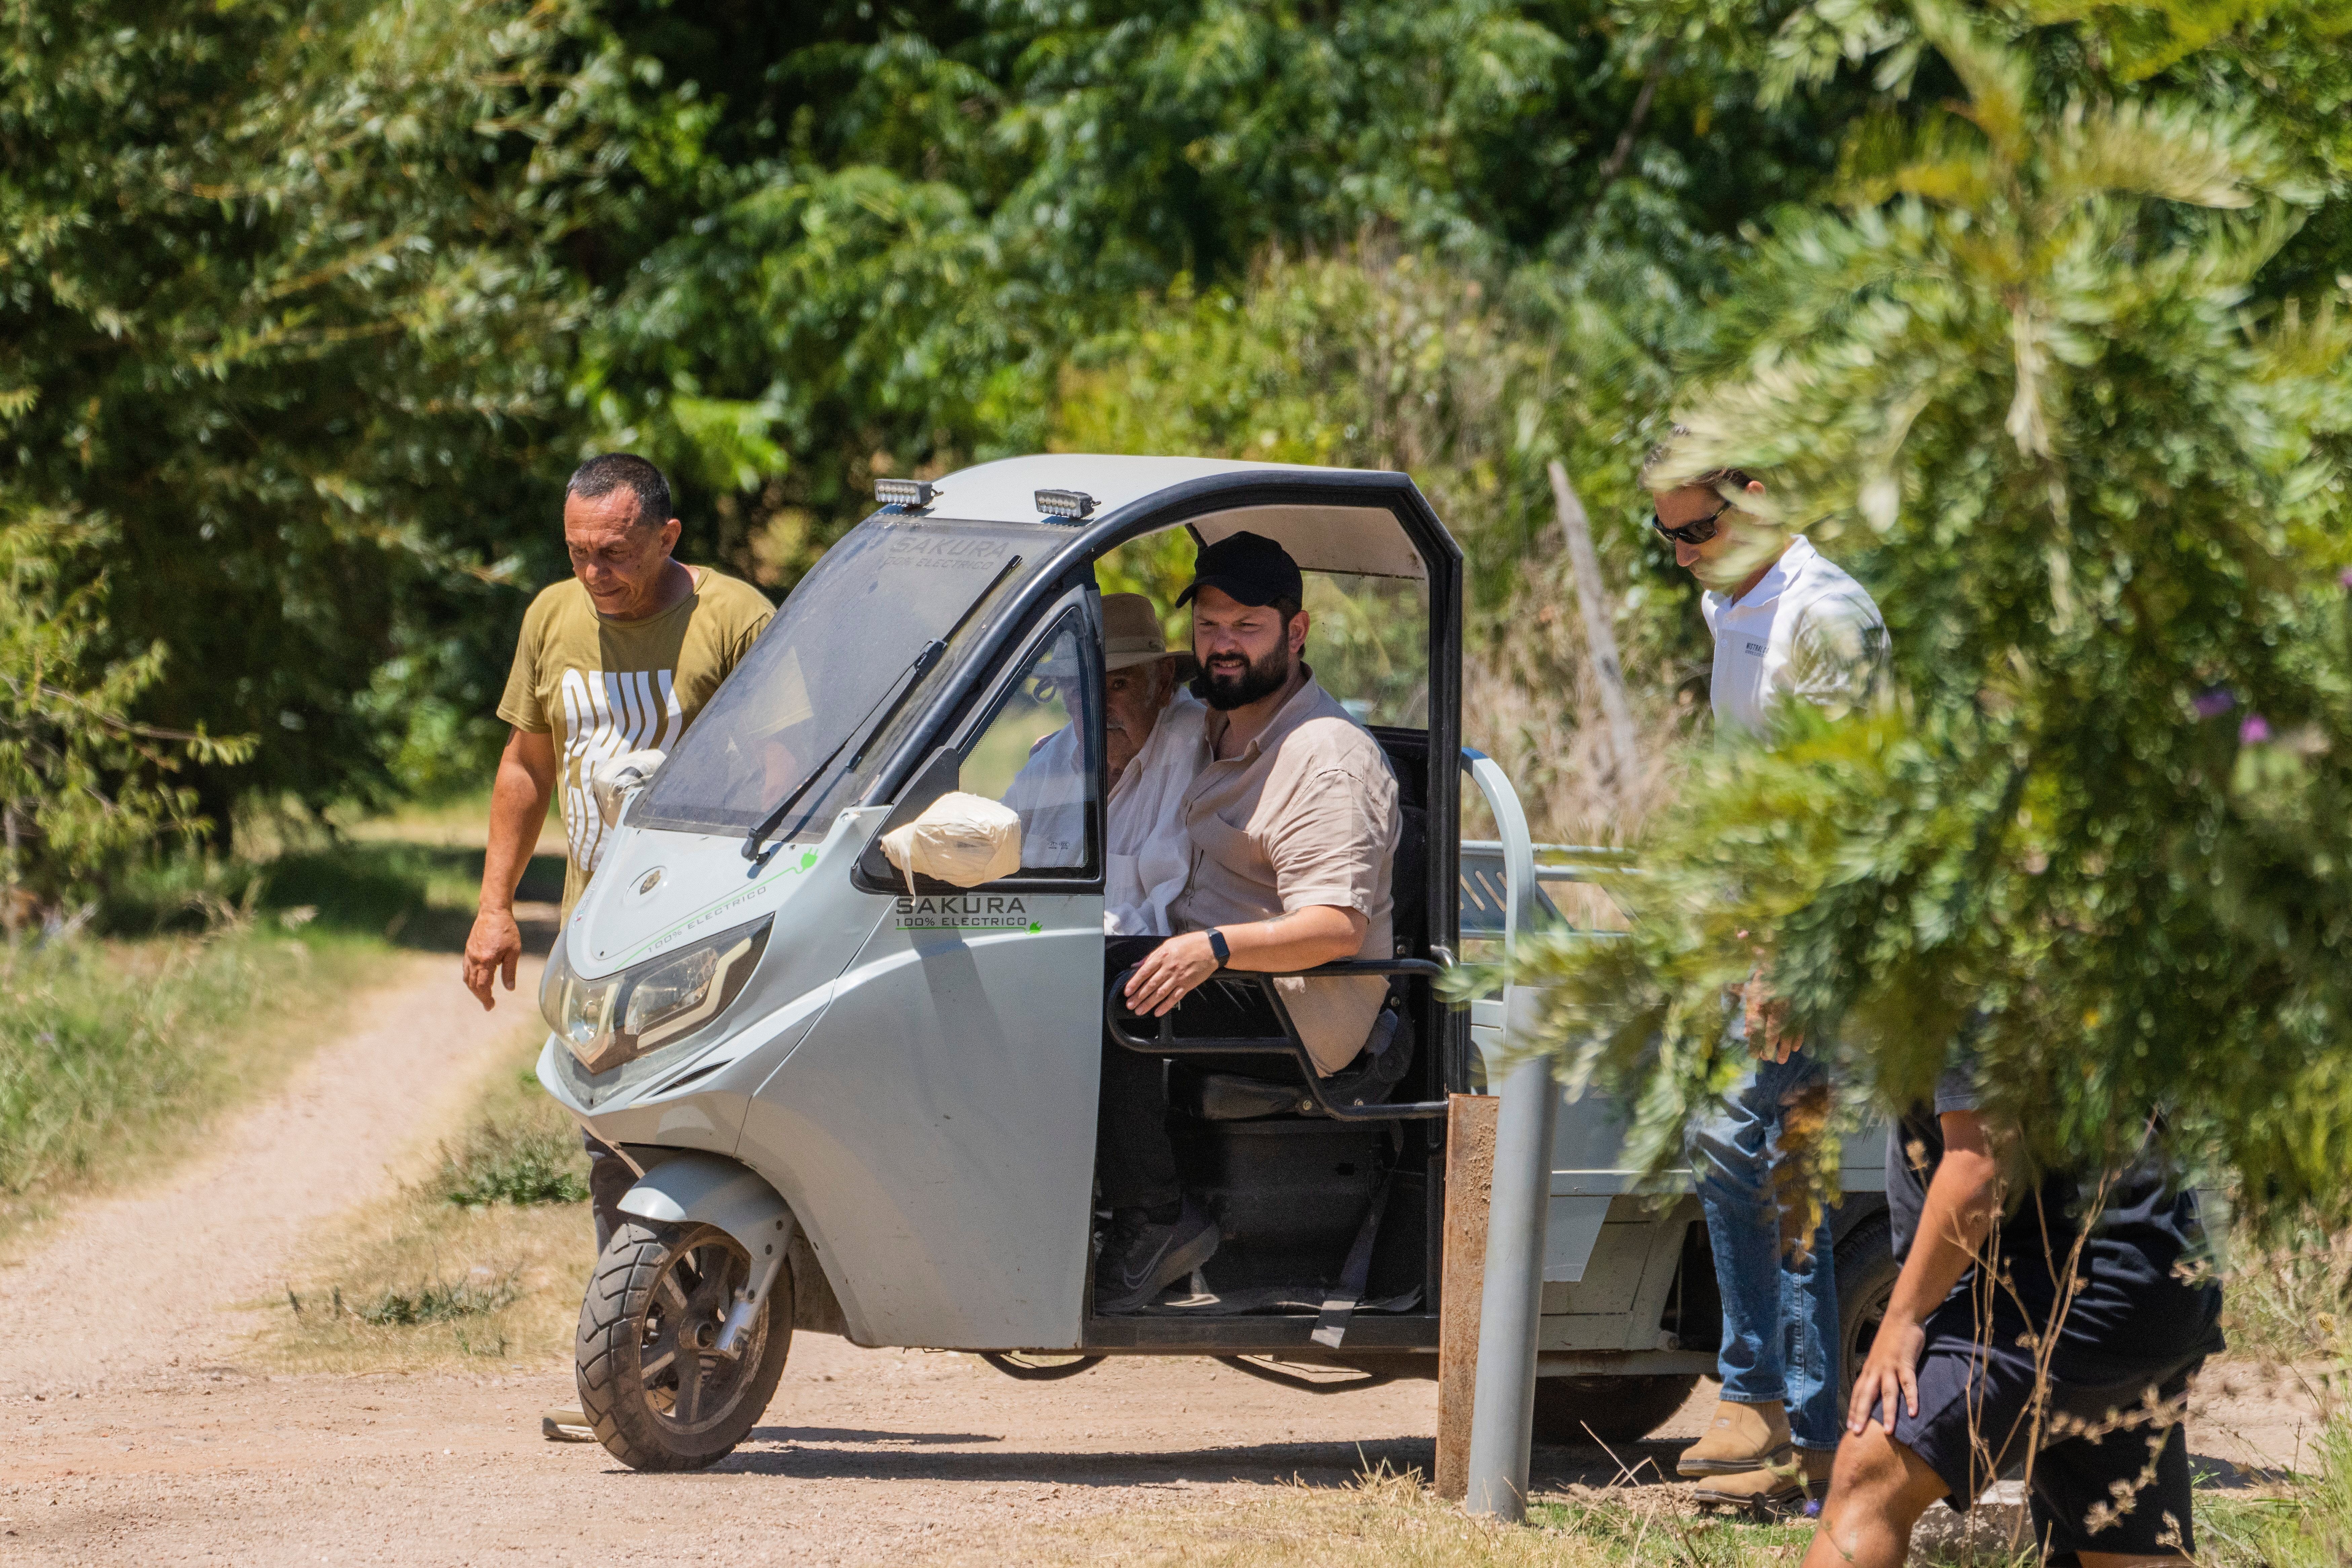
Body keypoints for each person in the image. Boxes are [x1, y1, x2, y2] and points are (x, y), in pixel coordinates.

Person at [459, 452, 772, 1440]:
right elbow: (526, 763)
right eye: (579, 552)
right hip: (602, 936)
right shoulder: (552, 617)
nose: (596, 572)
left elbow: (783, 772)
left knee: (699, 1139)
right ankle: (642, 1362)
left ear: (667, 538)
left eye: (616, 553)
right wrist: (494, 905)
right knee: (611, 1149)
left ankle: (707, 1348)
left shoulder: (734, 620)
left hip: (708, 932)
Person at [1650, 452, 1889, 1511]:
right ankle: (1798, 1430)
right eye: (1666, 538)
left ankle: (1770, 1403)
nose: (1683, 557)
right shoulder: (1730, 604)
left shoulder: (1826, 614)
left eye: (1696, 532)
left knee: (1750, 1140)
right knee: (1756, 1156)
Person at [1092, 532, 1402, 1313]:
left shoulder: (1326, 756)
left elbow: (1334, 925)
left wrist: (1213, 948)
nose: (1222, 646)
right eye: (1208, 626)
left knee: (1110, 981)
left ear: (1294, 634)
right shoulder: (1210, 723)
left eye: (1246, 627)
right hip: (1221, 969)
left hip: (1303, 1005)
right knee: (1065, 958)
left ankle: (1155, 1221)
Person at [1803, 1062, 2223, 1568]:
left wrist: (1902, 1318)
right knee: (2123, 1552)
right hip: (2147, 1279)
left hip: (2072, 1290)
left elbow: (1977, 1165)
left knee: (1868, 1476)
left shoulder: (1966, 987)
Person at [1000, 592, 1206, 933]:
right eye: (1081, 690)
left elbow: (1170, 920)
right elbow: (995, 847)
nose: (1098, 708)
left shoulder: (1195, 747)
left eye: (1118, 684)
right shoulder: (1056, 754)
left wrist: (1059, 932)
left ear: (1164, 680)